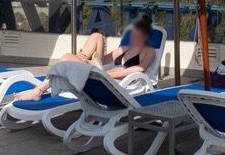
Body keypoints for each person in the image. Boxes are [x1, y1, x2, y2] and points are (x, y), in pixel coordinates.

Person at [19, 16, 158, 100]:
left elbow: (138, 69)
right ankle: (83, 56)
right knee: (96, 36)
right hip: (102, 72)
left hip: (112, 79)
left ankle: (38, 91)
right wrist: (84, 58)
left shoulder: (149, 51)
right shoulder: (126, 47)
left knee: (66, 59)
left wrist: (107, 74)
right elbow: (103, 61)